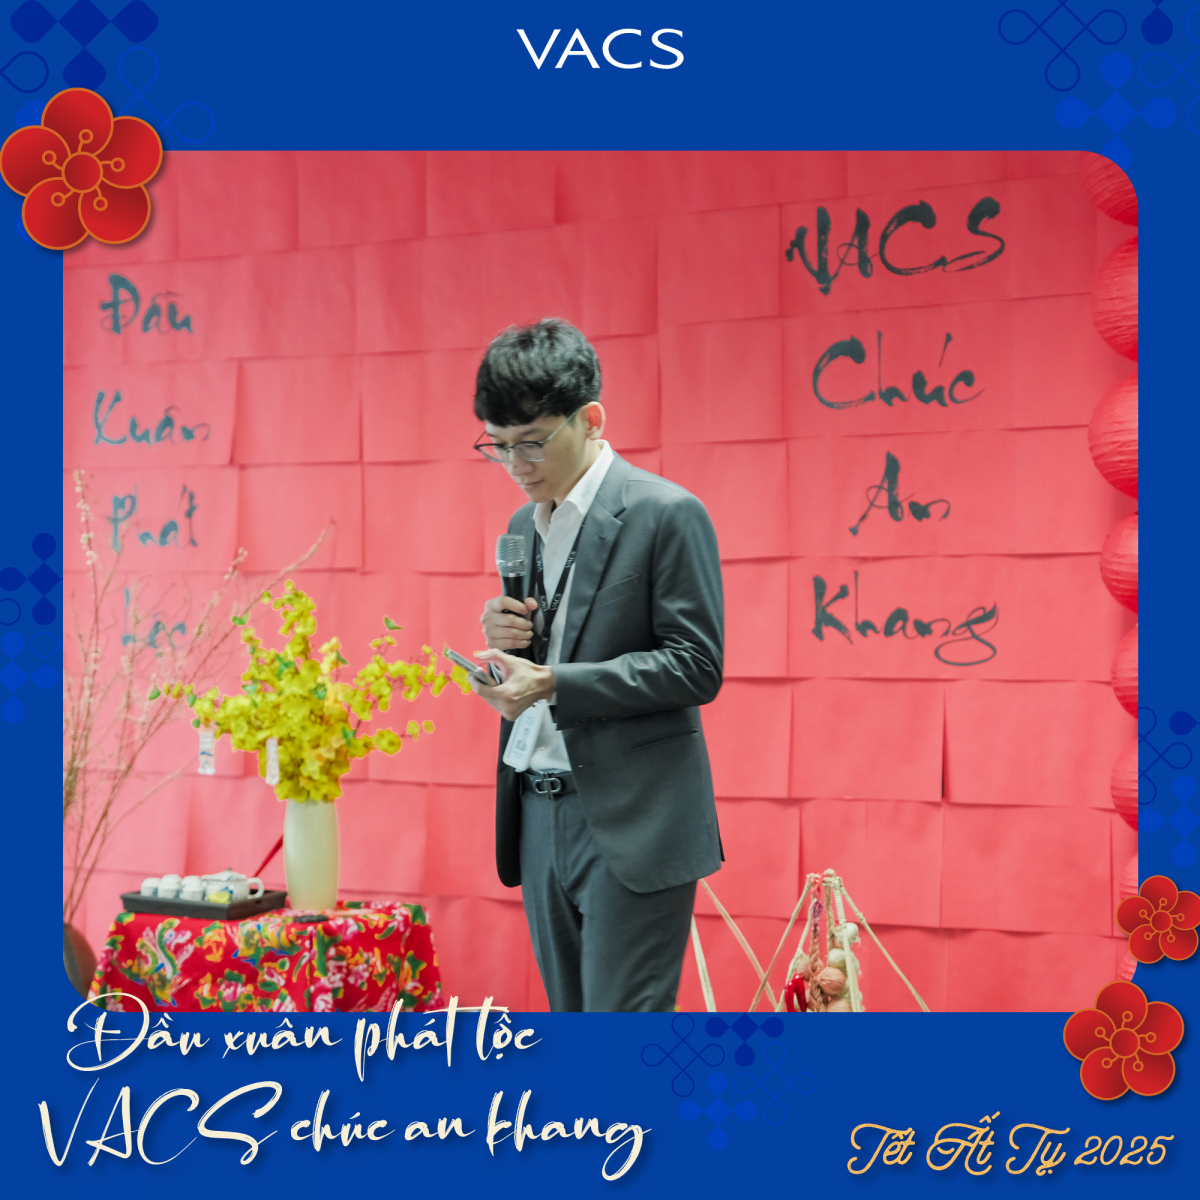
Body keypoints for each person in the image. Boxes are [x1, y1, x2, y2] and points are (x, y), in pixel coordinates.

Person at [469, 317, 724, 1012]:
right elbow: (555, 643)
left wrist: (553, 682)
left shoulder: (666, 514)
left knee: (624, 1040)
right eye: (498, 445)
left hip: (633, 819)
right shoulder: (524, 526)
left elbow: (696, 665)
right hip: (536, 808)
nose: (516, 464)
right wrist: (509, 647)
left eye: (532, 442)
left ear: (591, 419)